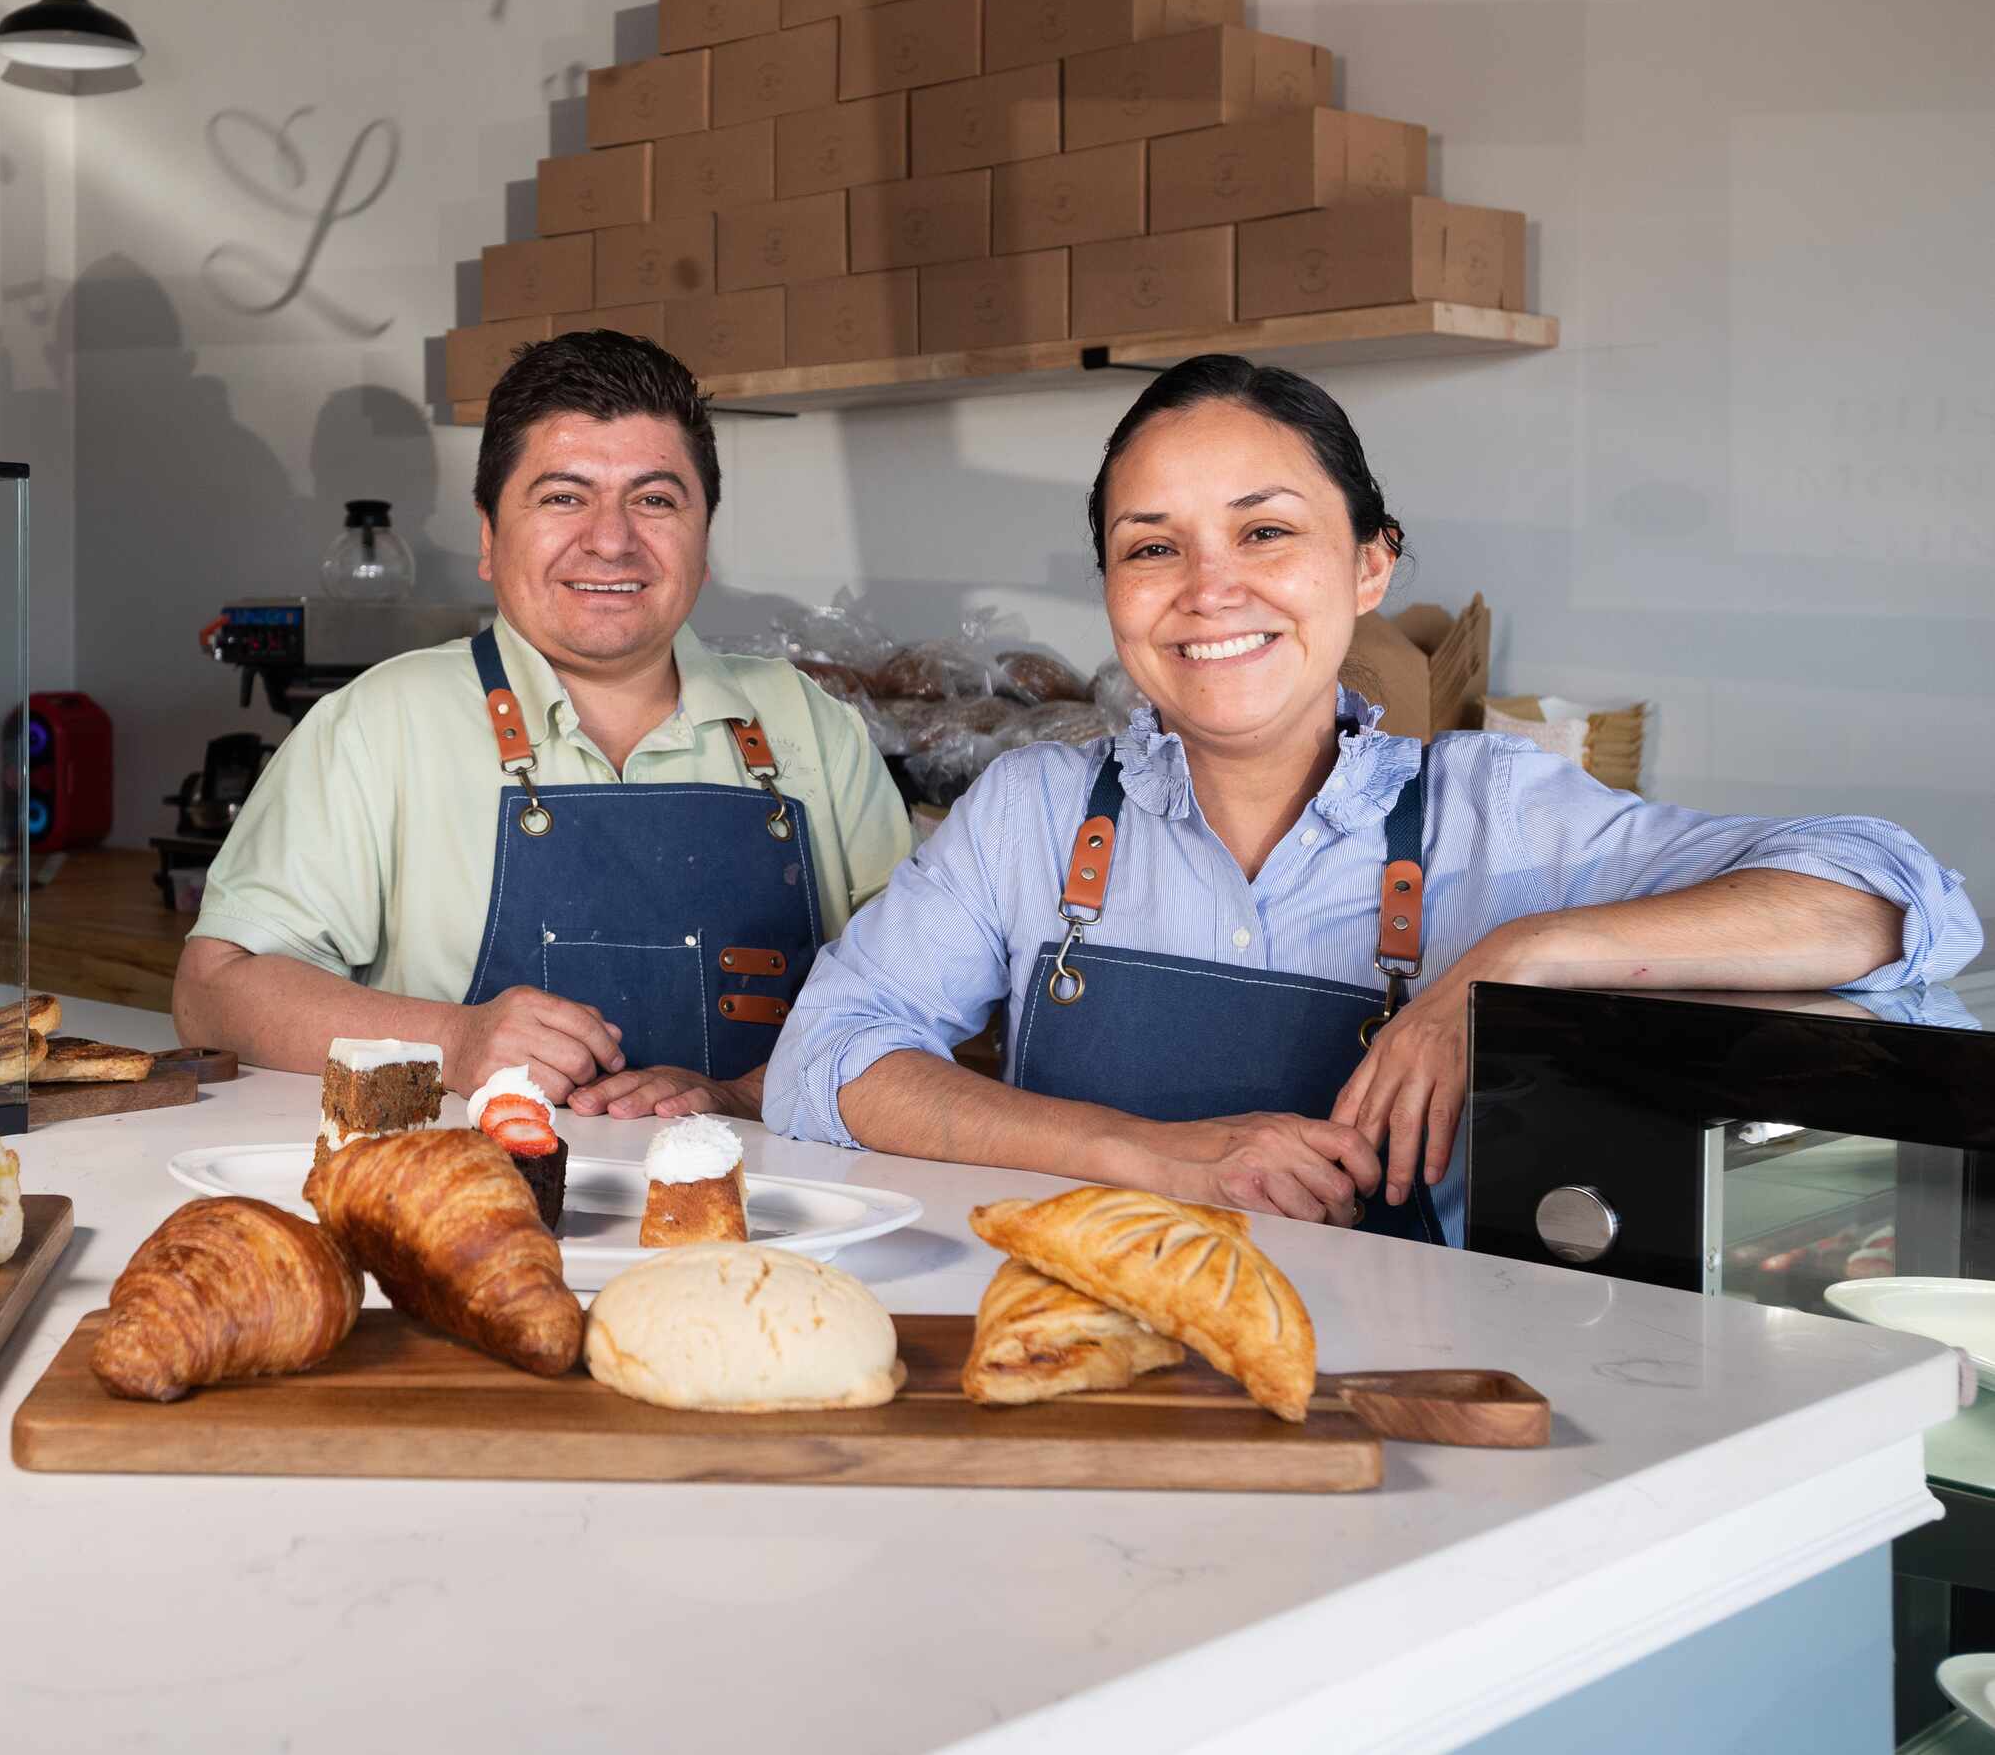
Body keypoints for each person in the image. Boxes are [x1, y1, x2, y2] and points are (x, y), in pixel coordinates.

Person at [766, 355, 1979, 1241]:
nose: (1207, 590)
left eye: (1264, 534)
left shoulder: (1501, 819)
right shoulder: (1030, 813)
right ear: (1110, 589)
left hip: (1401, 1402)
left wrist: (1515, 959)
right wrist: (1145, 1156)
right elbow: (826, 1057)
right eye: (1151, 547)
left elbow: (1891, 900)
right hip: (1088, 1352)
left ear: (1367, 564)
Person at [174, 330, 914, 1118]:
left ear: (704, 538)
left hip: (763, 1216)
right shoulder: (379, 723)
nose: (610, 539)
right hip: (458, 1210)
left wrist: (746, 1093)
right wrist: (451, 1041)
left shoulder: (812, 727)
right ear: (490, 536)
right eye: (563, 496)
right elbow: (216, 991)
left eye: (655, 499)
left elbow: (917, 1005)